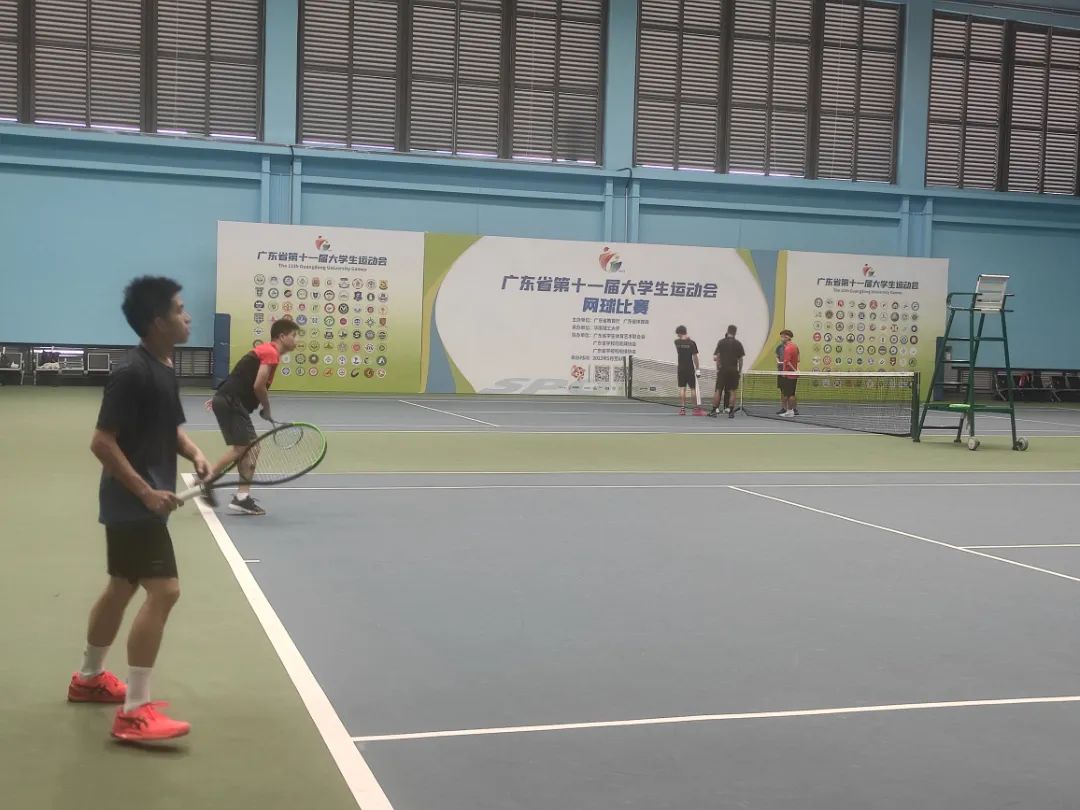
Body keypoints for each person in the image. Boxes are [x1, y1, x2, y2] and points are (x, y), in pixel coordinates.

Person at [68, 276, 209, 741]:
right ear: (157, 321)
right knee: (165, 591)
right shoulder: (131, 373)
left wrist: (195, 453)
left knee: (121, 587)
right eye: (179, 309)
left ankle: (89, 679)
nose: (187, 316)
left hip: (137, 504)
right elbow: (101, 442)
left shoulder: (163, 367)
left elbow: (167, 428)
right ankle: (135, 711)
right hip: (133, 506)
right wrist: (146, 493)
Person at [204, 319, 299, 515]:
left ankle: (241, 496)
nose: (296, 340)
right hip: (231, 402)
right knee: (244, 448)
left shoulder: (265, 351)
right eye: (294, 335)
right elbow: (258, 385)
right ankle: (207, 481)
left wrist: (221, 396)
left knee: (250, 448)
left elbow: (240, 374)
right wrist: (267, 408)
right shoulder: (271, 352)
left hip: (228, 400)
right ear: (282, 336)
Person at [709, 325, 745, 419]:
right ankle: (731, 412)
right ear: (735, 332)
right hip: (733, 370)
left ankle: (714, 411)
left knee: (718, 390)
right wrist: (739, 371)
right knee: (732, 391)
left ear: (727, 331)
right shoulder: (738, 344)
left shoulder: (721, 342)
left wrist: (718, 368)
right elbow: (740, 360)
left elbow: (718, 357)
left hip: (723, 370)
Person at [673, 325, 702, 416]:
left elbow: (681, 341)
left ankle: (682, 409)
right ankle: (696, 409)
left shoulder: (677, 342)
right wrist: (697, 369)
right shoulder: (692, 343)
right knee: (693, 388)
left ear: (680, 333)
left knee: (682, 388)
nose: (677, 335)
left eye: (678, 334)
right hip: (689, 368)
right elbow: (695, 357)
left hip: (681, 368)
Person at [779, 329, 800, 417]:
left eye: (782, 337)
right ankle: (790, 411)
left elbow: (787, 362)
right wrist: (796, 370)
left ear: (787, 337)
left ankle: (790, 412)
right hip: (793, 375)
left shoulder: (788, 348)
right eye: (781, 336)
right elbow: (798, 359)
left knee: (789, 395)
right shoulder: (795, 346)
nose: (781, 338)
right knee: (791, 394)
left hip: (788, 375)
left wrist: (794, 370)